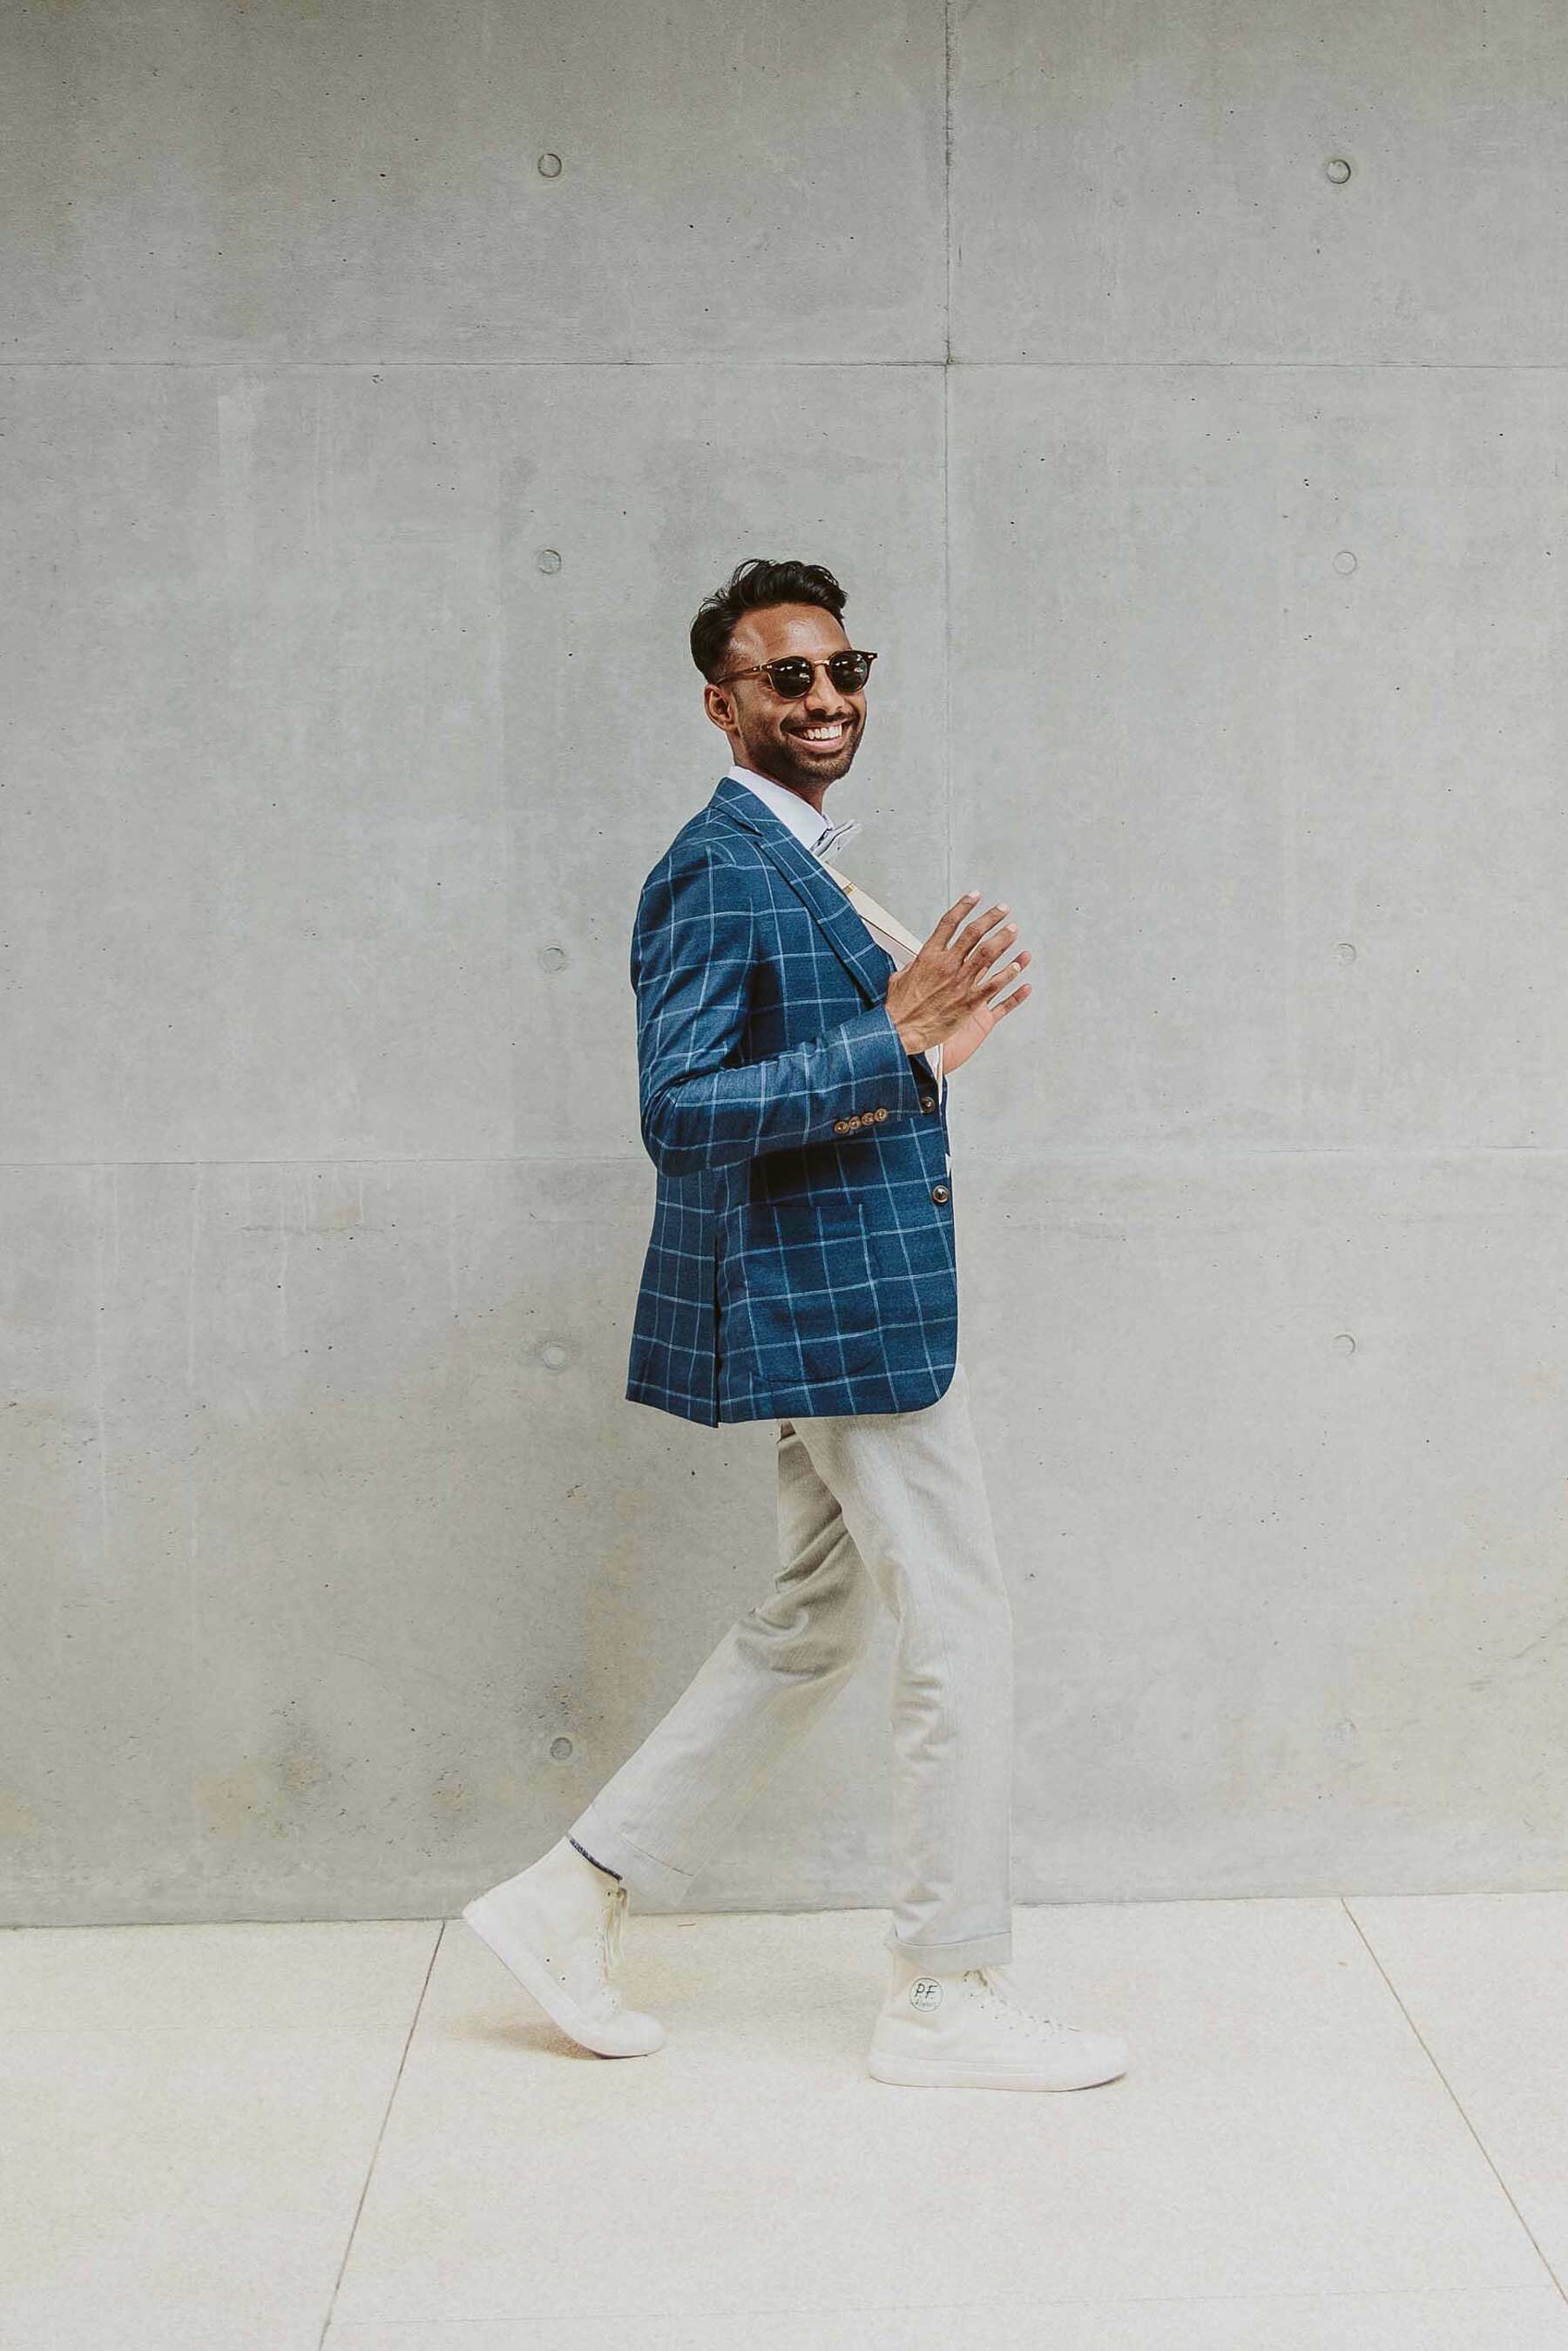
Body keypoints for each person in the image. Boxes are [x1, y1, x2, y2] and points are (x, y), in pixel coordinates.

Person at [463, 557, 1129, 2092]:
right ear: (724, 706)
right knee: (959, 1626)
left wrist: (927, 1054)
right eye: (788, 680)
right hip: (838, 1315)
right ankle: (947, 1992)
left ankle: (565, 1900)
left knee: (813, 1620)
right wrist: (892, 1038)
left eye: (844, 672)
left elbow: (850, 1068)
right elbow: (680, 1113)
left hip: (856, 1297)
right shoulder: (723, 866)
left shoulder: (806, 862)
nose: (826, 701)